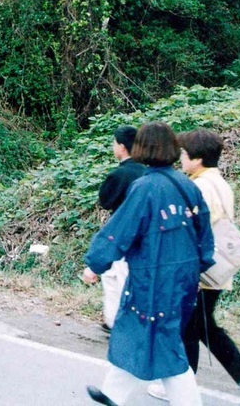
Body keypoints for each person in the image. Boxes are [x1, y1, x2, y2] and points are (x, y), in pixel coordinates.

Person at [82, 121, 215, 406]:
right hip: (183, 277)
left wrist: (95, 264)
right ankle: (113, 394)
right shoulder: (186, 186)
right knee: (140, 332)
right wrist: (198, 267)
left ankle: (187, 402)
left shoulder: (145, 187)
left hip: (154, 277)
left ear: (142, 147)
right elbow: (205, 234)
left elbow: (119, 232)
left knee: (161, 340)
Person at [157, 129, 240, 406]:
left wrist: (188, 270)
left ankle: (188, 386)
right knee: (200, 326)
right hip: (216, 270)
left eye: (184, 153)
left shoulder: (200, 187)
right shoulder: (219, 182)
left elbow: (197, 231)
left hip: (200, 270)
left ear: (197, 158)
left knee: (191, 327)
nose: (180, 158)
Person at [96, 126, 146, 333]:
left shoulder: (120, 174)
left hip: (120, 234)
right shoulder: (145, 172)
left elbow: (105, 201)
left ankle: (116, 323)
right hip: (142, 237)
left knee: (115, 277)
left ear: (122, 147)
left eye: (114, 143)